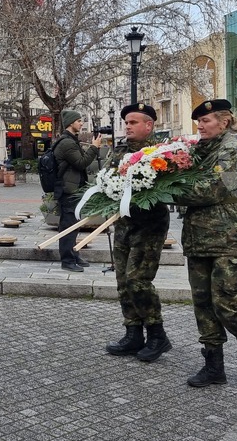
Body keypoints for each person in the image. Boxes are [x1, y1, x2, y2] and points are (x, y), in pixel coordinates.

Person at [174, 99, 237, 390]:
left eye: (206, 121)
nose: (200, 126)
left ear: (224, 122)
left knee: (226, 303)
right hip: (200, 239)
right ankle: (214, 365)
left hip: (231, 240)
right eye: (198, 122)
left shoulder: (232, 152)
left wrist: (165, 187)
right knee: (203, 304)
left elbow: (209, 191)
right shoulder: (199, 151)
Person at [103, 103, 172, 362]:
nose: (127, 126)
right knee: (123, 280)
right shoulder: (119, 151)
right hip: (123, 223)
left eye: (133, 122)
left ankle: (157, 334)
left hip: (149, 224)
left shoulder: (163, 153)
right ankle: (133, 333)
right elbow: (107, 180)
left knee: (138, 280)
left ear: (149, 125)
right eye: (126, 123)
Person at [52, 110, 101, 272]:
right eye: (79, 121)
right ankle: (67, 260)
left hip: (73, 189)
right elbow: (81, 163)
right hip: (68, 191)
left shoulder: (71, 140)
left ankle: (73, 254)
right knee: (68, 226)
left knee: (74, 224)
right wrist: (94, 148)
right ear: (70, 123)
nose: (81, 123)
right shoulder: (66, 143)